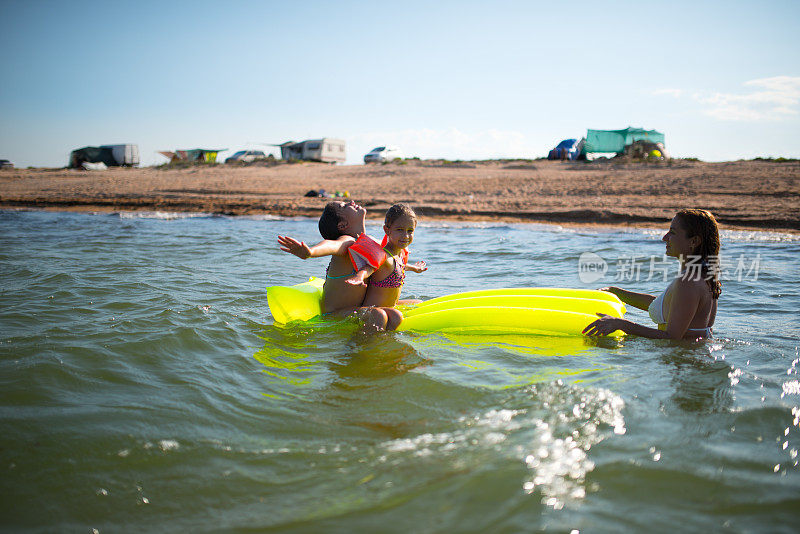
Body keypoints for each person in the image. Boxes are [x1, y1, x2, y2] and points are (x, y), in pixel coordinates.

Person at [582, 209, 721, 340]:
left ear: (694, 241)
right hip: (691, 361)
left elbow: (672, 338)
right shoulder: (702, 275)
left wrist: (620, 324)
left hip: (684, 363)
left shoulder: (689, 281)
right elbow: (668, 306)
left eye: (672, 232)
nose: (665, 238)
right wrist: (616, 292)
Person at [277, 200, 395, 331]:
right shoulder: (347, 241)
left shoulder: (369, 241)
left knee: (398, 312)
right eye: (343, 206)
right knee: (378, 315)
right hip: (334, 314)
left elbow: (390, 252)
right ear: (342, 225)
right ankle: (357, 350)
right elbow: (331, 245)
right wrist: (310, 252)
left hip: (354, 309)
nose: (351, 201)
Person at [345, 204, 428, 329]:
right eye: (400, 230)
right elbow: (369, 268)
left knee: (420, 303)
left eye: (410, 231)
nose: (405, 235)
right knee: (394, 316)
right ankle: (359, 345)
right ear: (387, 230)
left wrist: (415, 268)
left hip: (389, 307)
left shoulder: (399, 254)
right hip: (372, 311)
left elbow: (400, 267)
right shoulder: (383, 255)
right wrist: (359, 277)